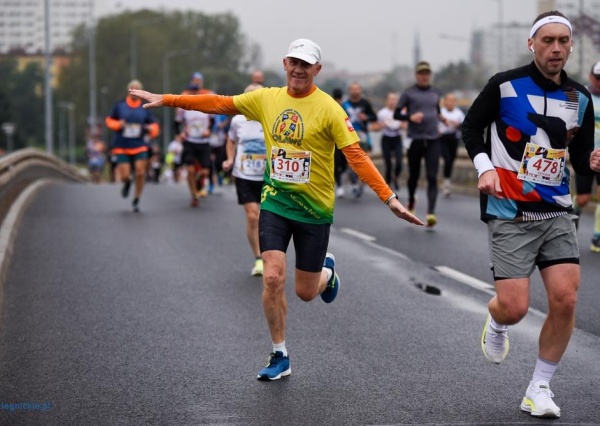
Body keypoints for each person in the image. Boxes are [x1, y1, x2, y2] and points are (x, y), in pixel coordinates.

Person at [130, 38, 423, 381]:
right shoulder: (266, 98)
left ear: (318, 70)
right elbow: (218, 103)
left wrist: (390, 199)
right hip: (276, 201)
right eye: (294, 62)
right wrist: (167, 99)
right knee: (272, 278)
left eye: (306, 64)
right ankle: (279, 353)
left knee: (305, 292)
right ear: (285, 64)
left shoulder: (329, 109)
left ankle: (327, 274)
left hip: (314, 209)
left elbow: (356, 156)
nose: (299, 69)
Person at [461, 11, 600, 418]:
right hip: (510, 208)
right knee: (516, 306)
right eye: (547, 41)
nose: (556, 48)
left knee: (565, 298)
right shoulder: (504, 86)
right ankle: (498, 318)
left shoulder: (582, 98)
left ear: (571, 45)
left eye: (563, 41)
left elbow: (576, 153)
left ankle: (539, 386)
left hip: (556, 208)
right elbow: (470, 129)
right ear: (532, 44)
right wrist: (485, 166)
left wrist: (591, 162)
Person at [394, 61, 446, 229]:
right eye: (421, 73)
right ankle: (411, 201)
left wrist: (442, 119)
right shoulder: (408, 93)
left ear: (429, 75)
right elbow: (396, 114)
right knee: (414, 176)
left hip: (433, 139)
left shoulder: (435, 93)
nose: (424, 76)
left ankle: (431, 212)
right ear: (417, 75)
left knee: (432, 176)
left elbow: (436, 110)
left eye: (427, 74)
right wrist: (410, 117)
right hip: (415, 139)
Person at [222, 83, 266, 276]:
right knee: (252, 215)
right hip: (244, 174)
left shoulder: (271, 118)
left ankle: (270, 255)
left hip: (268, 176)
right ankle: (258, 259)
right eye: (249, 97)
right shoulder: (238, 120)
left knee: (267, 219)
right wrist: (230, 159)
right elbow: (231, 140)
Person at [105, 79, 160, 212]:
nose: (135, 91)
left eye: (137, 89)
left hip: (139, 144)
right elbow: (109, 120)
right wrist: (119, 125)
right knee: (125, 175)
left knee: (140, 172)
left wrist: (150, 130)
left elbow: (155, 125)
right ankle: (127, 183)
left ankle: (137, 198)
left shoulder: (145, 108)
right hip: (122, 145)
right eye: (132, 89)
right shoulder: (120, 106)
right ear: (129, 90)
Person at [572, 60, 600, 252]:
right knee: (583, 198)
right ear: (591, 77)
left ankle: (597, 237)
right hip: (584, 154)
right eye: (597, 78)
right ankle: (573, 216)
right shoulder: (582, 96)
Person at [174, 82, 214, 207]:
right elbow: (176, 123)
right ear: (189, 92)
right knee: (190, 169)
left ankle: (198, 181)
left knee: (205, 172)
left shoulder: (205, 104)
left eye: (196, 91)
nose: (194, 93)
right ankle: (194, 195)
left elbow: (212, 120)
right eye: (192, 91)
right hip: (190, 141)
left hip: (203, 142)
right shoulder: (184, 107)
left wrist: (209, 130)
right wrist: (179, 134)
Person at [342, 82, 378, 198]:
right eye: (353, 89)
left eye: (357, 89)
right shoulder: (345, 105)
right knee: (351, 162)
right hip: (349, 136)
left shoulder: (365, 103)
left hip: (363, 135)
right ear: (349, 91)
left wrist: (366, 117)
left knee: (365, 161)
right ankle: (354, 184)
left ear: (360, 91)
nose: (355, 91)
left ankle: (361, 182)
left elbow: (374, 117)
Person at [438, 93, 465, 197]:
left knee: (451, 161)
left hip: (453, 139)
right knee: (447, 159)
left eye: (453, 100)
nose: (451, 102)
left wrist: (458, 125)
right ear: (445, 102)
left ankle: (446, 182)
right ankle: (446, 184)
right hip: (442, 138)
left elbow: (465, 126)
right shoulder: (440, 112)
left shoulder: (459, 114)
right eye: (449, 100)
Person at [377, 92, 404, 191]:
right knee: (388, 163)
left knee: (399, 162)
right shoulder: (382, 113)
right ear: (386, 101)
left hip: (397, 138)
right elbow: (375, 127)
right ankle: (388, 186)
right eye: (391, 99)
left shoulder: (401, 112)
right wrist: (381, 125)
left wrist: (402, 125)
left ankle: (396, 178)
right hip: (386, 139)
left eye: (395, 99)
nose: (393, 101)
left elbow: (406, 124)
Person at [331, 88, 348, 198]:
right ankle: (340, 185)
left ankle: (341, 175)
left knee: (344, 163)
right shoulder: (331, 107)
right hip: (334, 142)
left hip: (345, 140)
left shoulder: (346, 108)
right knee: (336, 163)